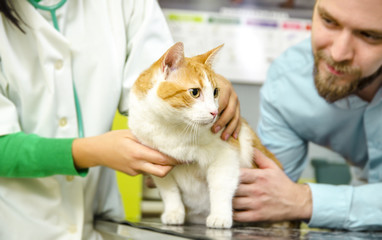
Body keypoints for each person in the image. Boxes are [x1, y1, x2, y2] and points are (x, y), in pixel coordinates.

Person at [0, 0, 240, 239]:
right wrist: (91, 152)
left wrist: (209, 86)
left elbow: (158, 84)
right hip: (19, 224)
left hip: (100, 223)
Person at [233, 0, 382, 231]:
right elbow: (268, 200)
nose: (338, 53)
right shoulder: (288, 82)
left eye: (370, 36)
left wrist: (305, 201)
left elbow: (291, 201)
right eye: (329, 21)